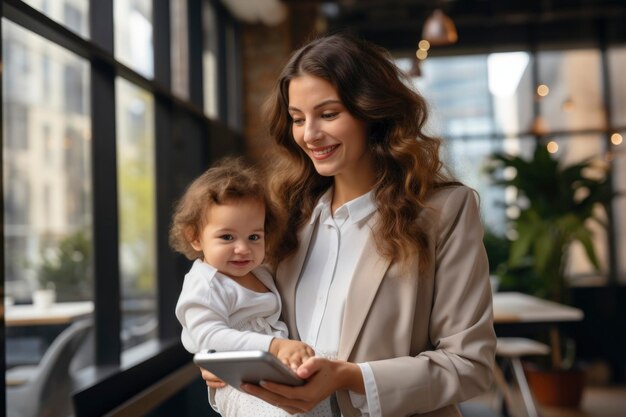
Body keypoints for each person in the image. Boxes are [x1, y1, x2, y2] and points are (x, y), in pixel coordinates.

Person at [202, 33, 496, 417]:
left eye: (328, 114)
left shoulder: (445, 211)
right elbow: (248, 317)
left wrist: (349, 377)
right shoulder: (284, 217)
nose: (310, 134)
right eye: (297, 119)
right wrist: (227, 358)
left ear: (371, 113)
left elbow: (470, 365)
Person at [171, 157, 333, 417]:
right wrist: (276, 347)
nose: (243, 248)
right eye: (227, 237)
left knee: (323, 406)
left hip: (272, 370)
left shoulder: (260, 272)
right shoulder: (204, 284)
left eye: (254, 236)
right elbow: (209, 337)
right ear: (195, 237)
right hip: (238, 382)